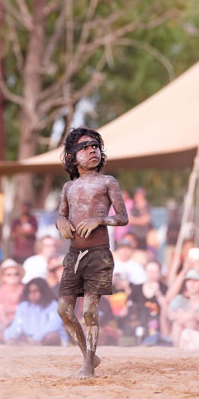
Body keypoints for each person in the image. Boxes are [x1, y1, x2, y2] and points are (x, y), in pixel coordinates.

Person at [55, 127, 128, 379]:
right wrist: (60, 222)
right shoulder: (68, 187)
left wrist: (100, 219)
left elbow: (123, 217)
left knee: (89, 310)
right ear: (72, 157)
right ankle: (89, 355)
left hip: (98, 253)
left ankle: (88, 363)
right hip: (74, 254)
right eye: (84, 148)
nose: (92, 150)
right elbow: (61, 215)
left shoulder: (108, 182)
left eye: (95, 146)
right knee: (64, 310)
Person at [166, 269, 199, 349]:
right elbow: (170, 314)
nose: (192, 283)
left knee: (191, 321)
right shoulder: (179, 299)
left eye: (196, 280)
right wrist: (182, 315)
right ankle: (177, 348)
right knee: (178, 322)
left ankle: (183, 348)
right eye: (189, 280)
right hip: (180, 333)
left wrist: (190, 315)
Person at [4, 278, 65, 345]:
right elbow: (17, 325)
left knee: (52, 336)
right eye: (29, 292)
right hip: (28, 338)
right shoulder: (23, 306)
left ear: (43, 291)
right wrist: (12, 337)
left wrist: (36, 338)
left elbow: (53, 325)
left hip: (44, 339)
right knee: (7, 334)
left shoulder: (53, 305)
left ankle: (37, 347)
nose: (32, 294)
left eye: (35, 291)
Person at [0, 258, 25, 337]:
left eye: (16, 274)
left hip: (24, 323)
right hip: (4, 324)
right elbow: (2, 317)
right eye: (9, 274)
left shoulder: (25, 290)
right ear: (3, 277)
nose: (13, 276)